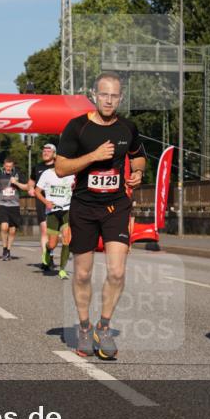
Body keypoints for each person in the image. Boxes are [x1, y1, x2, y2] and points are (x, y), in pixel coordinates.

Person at [56, 72, 146, 360]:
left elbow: (140, 154)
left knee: (117, 271)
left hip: (116, 207)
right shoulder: (77, 127)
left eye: (115, 95)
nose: (109, 100)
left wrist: (138, 172)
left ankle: (103, 327)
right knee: (82, 273)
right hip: (83, 207)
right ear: (94, 95)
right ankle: (84, 327)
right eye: (104, 94)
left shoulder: (127, 128)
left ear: (121, 98)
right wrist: (92, 157)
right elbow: (60, 168)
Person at [33, 163, 75, 279]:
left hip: (67, 209)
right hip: (52, 212)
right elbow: (37, 191)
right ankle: (47, 250)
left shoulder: (72, 174)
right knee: (52, 244)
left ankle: (62, 269)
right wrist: (46, 202)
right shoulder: (47, 174)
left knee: (67, 239)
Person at [29, 144, 57, 269]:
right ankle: (46, 259)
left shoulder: (59, 166)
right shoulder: (38, 167)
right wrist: (30, 188)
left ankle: (50, 251)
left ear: (54, 153)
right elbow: (31, 181)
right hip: (41, 200)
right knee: (45, 230)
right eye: (44, 151)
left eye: (48, 151)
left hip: (56, 200)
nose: (45, 153)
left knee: (54, 232)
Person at [0, 157, 27, 260]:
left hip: (14, 205)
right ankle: (4, 249)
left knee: (12, 231)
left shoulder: (18, 174)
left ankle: (8, 250)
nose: (8, 168)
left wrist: (16, 183)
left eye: (10, 166)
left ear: (13, 166)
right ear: (4, 165)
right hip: (2, 204)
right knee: (4, 227)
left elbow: (26, 187)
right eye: (7, 166)